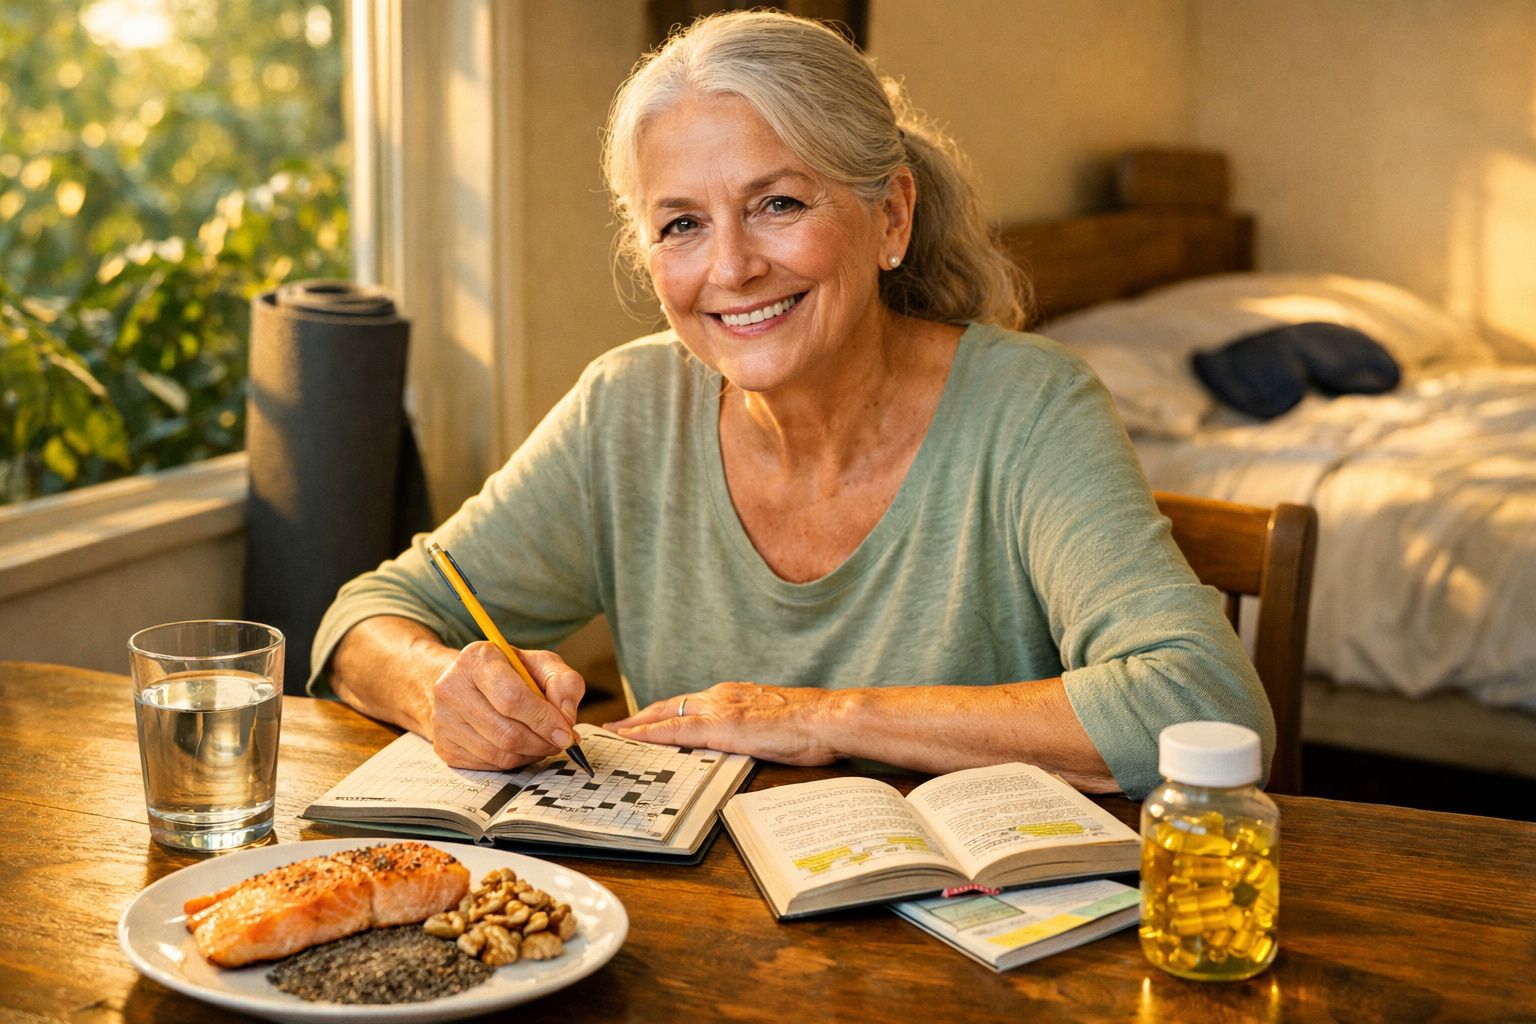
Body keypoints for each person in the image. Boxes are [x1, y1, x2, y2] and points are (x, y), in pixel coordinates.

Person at [310, 10, 1272, 800]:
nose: (731, 268)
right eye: (682, 224)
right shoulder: (626, 410)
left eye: (778, 204)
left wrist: (819, 717)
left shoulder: (1030, 406)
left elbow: (1205, 706)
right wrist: (439, 686)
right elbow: (365, 619)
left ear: (890, 217)